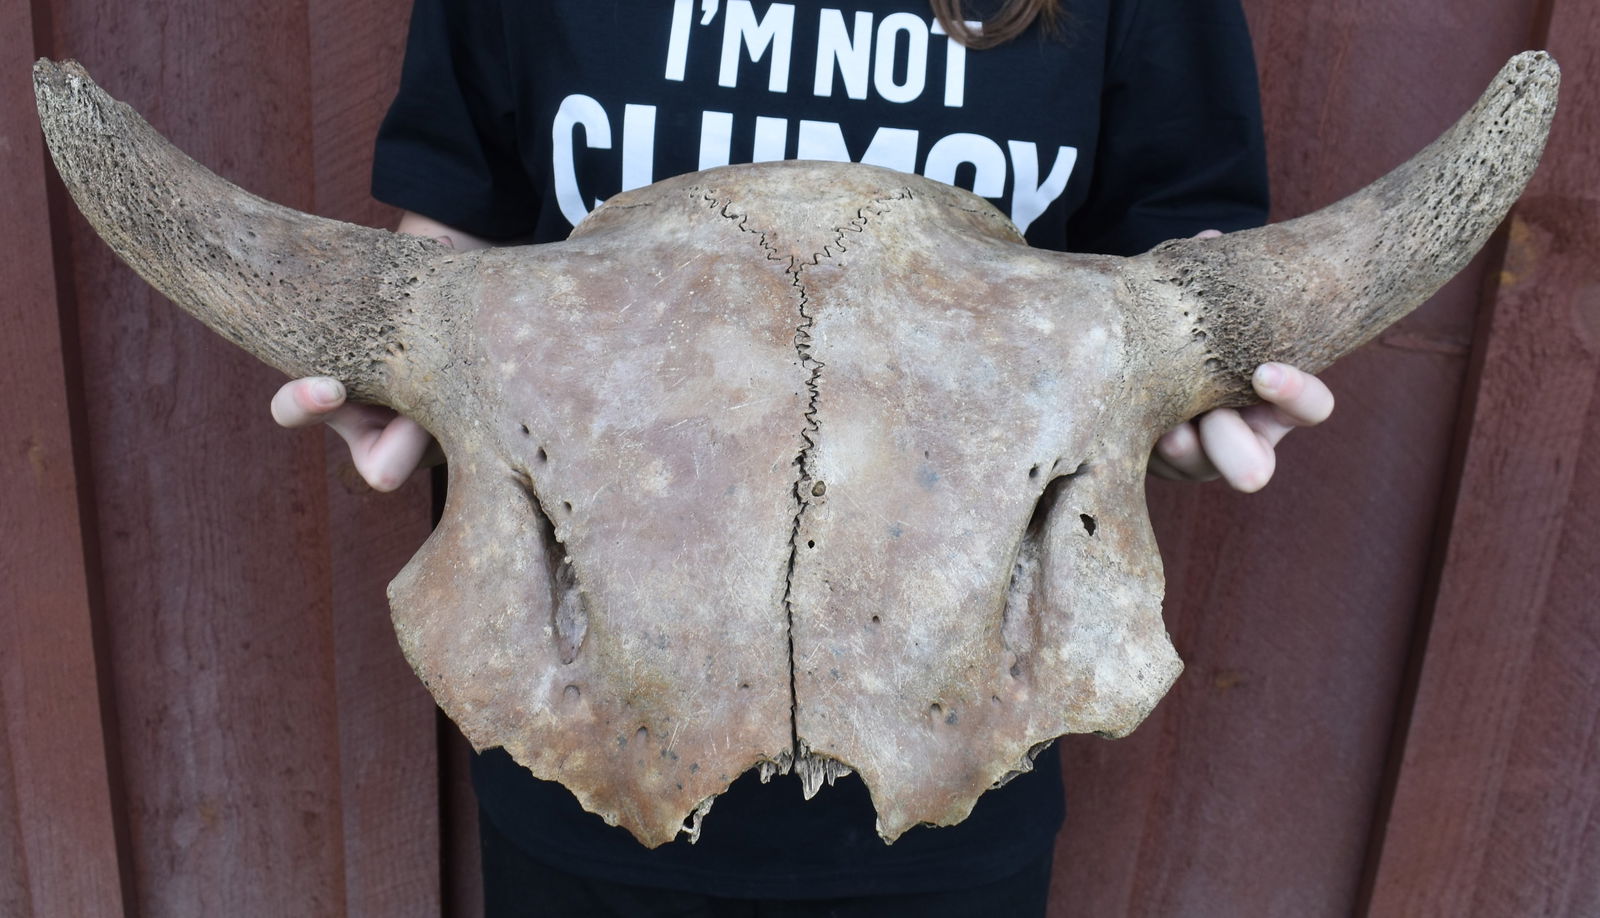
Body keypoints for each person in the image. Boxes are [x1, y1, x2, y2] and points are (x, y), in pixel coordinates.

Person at [272, 1, 1334, 914]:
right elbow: (456, 233)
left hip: (958, 772)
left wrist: (1195, 396)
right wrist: (404, 368)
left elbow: (1165, 276)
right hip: (583, 756)